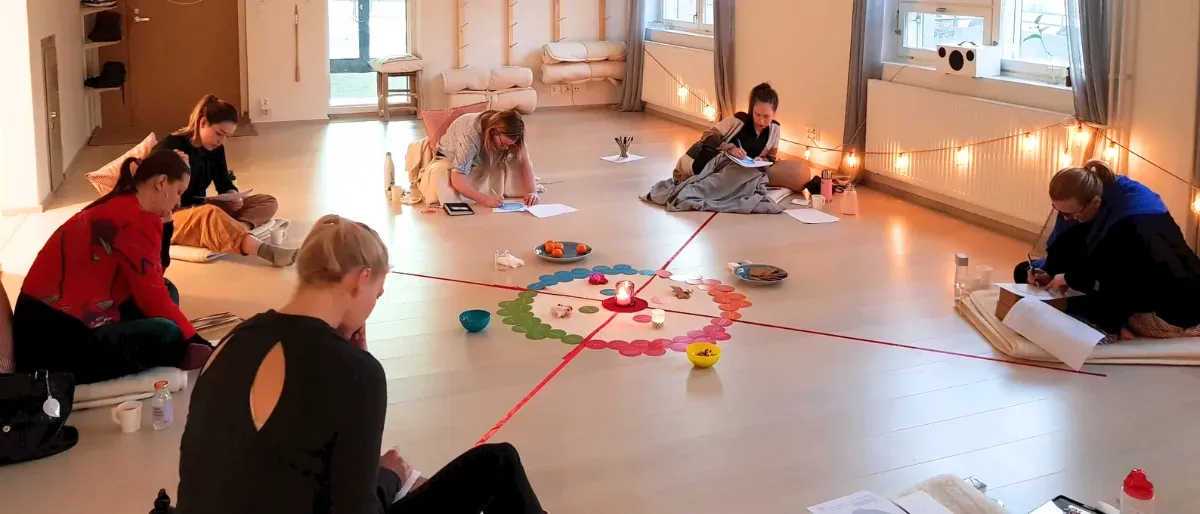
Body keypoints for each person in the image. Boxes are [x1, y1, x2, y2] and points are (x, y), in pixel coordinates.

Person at [177, 215, 546, 514]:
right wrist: (386, 477)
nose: (373, 305)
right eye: (377, 294)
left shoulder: (233, 340)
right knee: (499, 464)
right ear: (360, 279)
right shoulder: (356, 372)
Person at [11, 150, 213, 385]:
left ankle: (158, 341)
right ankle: (174, 350)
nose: (179, 202)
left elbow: (155, 275)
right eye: (178, 192)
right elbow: (151, 297)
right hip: (55, 345)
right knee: (168, 333)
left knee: (168, 291)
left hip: (55, 322)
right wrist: (194, 339)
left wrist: (166, 226)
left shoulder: (125, 201)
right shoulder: (134, 219)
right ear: (161, 182)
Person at [1013, 159, 1200, 340]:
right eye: (1059, 211)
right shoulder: (1092, 196)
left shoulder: (1134, 224)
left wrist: (1069, 279)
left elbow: (1121, 280)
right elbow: (1070, 243)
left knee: (1073, 305)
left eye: (1071, 214)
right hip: (1114, 274)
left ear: (1095, 202)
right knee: (1022, 271)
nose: (1066, 218)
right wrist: (1047, 272)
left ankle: (1119, 326)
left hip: (1168, 300)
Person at [155, 94, 295, 267]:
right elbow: (151, 189)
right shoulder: (172, 145)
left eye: (227, 136)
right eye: (219, 133)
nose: (221, 141)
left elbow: (223, 182)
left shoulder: (216, 149)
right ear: (203, 123)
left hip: (200, 206)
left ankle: (236, 230)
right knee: (210, 213)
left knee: (267, 201)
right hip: (172, 214)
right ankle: (265, 251)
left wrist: (233, 195)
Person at [421, 109, 540, 208]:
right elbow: (457, 178)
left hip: (482, 151)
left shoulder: (512, 133)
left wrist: (532, 191)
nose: (506, 147)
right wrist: (485, 199)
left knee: (517, 172)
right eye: (504, 143)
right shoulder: (470, 136)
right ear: (493, 132)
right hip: (449, 153)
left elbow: (524, 161)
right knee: (444, 185)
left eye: (510, 144)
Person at [672, 82, 781, 183]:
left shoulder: (775, 129)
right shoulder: (739, 119)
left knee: (750, 181)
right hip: (718, 165)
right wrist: (730, 149)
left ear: (774, 113)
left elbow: (771, 157)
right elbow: (707, 135)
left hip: (743, 172)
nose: (761, 121)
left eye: (766, 116)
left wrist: (761, 160)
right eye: (757, 114)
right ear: (752, 110)